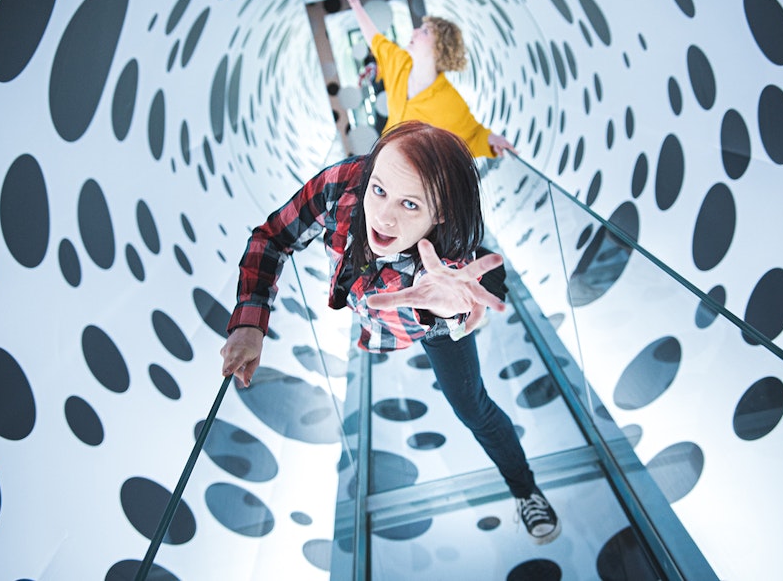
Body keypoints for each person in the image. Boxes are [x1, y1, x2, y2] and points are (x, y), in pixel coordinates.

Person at [220, 121, 561, 544]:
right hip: (373, 300)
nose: (383, 216)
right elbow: (274, 237)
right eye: (379, 190)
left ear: (439, 214)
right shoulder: (342, 183)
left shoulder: (448, 248)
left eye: (410, 205)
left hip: (431, 318)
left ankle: (526, 490)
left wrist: (447, 311)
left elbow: (449, 288)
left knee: (472, 407)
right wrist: (250, 320)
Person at [345, 0, 516, 160]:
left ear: (438, 50)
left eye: (425, 31)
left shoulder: (449, 100)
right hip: (381, 157)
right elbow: (375, 38)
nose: (415, 32)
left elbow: (474, 135)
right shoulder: (399, 62)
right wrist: (354, 1)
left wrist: (492, 140)